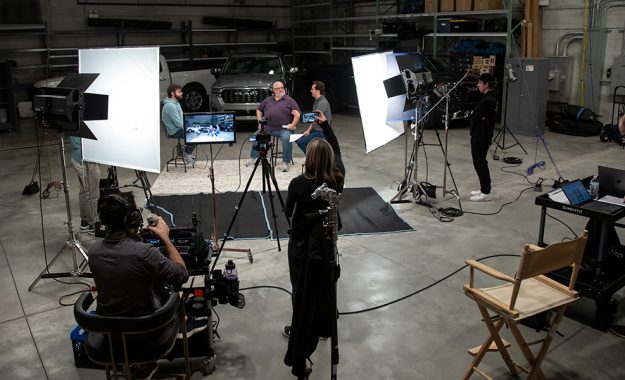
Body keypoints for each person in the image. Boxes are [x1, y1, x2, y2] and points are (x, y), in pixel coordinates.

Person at [88, 192, 189, 317]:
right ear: (133, 218)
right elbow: (182, 275)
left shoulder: (93, 252)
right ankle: (181, 328)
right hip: (145, 328)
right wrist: (165, 238)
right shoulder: (144, 253)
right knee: (173, 293)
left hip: (107, 327)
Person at [283, 138, 344, 340]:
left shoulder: (297, 184)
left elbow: (288, 210)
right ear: (331, 159)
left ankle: (300, 328)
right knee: (325, 282)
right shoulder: (337, 179)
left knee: (300, 285)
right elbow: (338, 152)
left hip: (301, 242)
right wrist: (326, 127)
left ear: (308, 159)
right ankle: (325, 327)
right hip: (326, 241)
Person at [249, 80, 300, 172]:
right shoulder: (268, 100)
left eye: (282, 88)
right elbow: (259, 110)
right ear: (274, 90)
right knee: (256, 136)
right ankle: (255, 158)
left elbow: (298, 114)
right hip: (268, 127)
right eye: (278, 88)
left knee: (287, 138)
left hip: (283, 128)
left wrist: (293, 125)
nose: (280, 90)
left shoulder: (290, 100)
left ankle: (285, 162)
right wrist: (260, 122)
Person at [469, 73, 498, 202]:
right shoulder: (489, 97)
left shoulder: (488, 100)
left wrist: (473, 115)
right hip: (481, 133)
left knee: (480, 162)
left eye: (480, 83)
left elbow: (474, 116)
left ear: (487, 84)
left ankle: (486, 192)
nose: (478, 85)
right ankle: (483, 189)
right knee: (479, 162)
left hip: (481, 135)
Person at [69, 136, 101, 232]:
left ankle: (85, 221)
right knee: (91, 194)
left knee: (84, 191)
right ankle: (93, 224)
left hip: (78, 158)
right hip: (87, 160)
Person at [162, 84, 195, 166]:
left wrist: (190, 125)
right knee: (194, 135)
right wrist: (190, 128)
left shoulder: (176, 103)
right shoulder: (170, 106)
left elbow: (181, 118)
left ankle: (186, 150)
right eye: (179, 92)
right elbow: (178, 123)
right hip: (174, 131)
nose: (182, 93)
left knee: (194, 131)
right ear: (173, 93)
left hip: (179, 128)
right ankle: (186, 153)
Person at [296, 81, 331, 153]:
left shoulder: (322, 103)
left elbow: (313, 118)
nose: (311, 90)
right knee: (297, 139)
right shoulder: (317, 100)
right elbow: (314, 120)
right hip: (315, 130)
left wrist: (299, 116)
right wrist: (308, 131)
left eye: (312, 89)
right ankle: (312, 157)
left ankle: (312, 159)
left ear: (318, 91)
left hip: (321, 132)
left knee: (301, 142)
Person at [314, 110, 345, 177]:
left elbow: (334, 145)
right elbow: (334, 145)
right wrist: (325, 124)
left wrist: (325, 124)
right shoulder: (339, 170)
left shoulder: (305, 181)